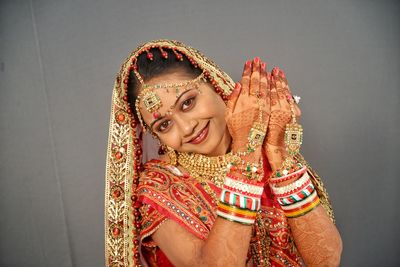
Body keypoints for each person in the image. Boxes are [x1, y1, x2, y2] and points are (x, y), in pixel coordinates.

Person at [104, 39, 342, 267]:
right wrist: (245, 155)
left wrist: (278, 154)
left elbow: (326, 261)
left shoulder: (270, 153)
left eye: (188, 103)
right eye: (164, 125)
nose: (187, 128)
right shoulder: (157, 187)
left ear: (214, 83)